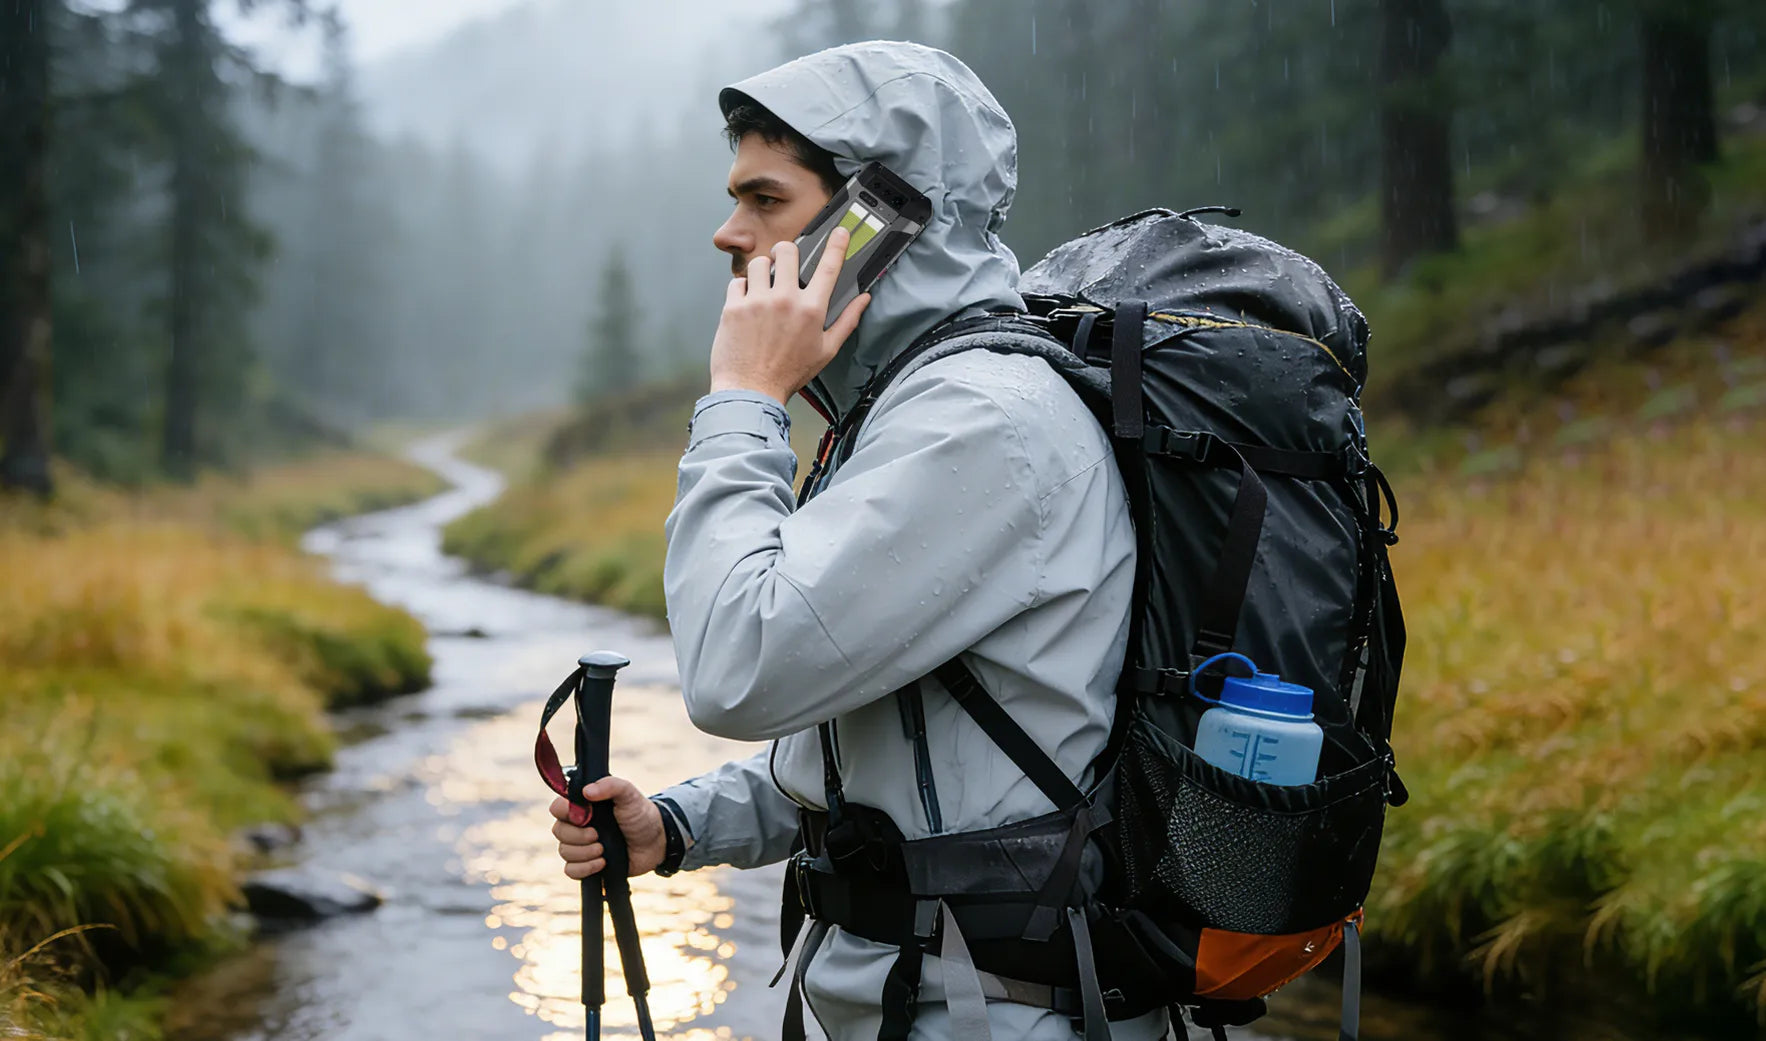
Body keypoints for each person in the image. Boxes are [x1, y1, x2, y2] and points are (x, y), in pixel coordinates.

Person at [547, 40, 1158, 1040]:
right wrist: (681, 825)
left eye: (764, 199)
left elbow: (738, 671)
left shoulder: (982, 424)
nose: (726, 233)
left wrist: (743, 400)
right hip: (914, 1002)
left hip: (990, 1013)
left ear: (879, 219)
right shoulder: (909, 408)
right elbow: (881, 746)